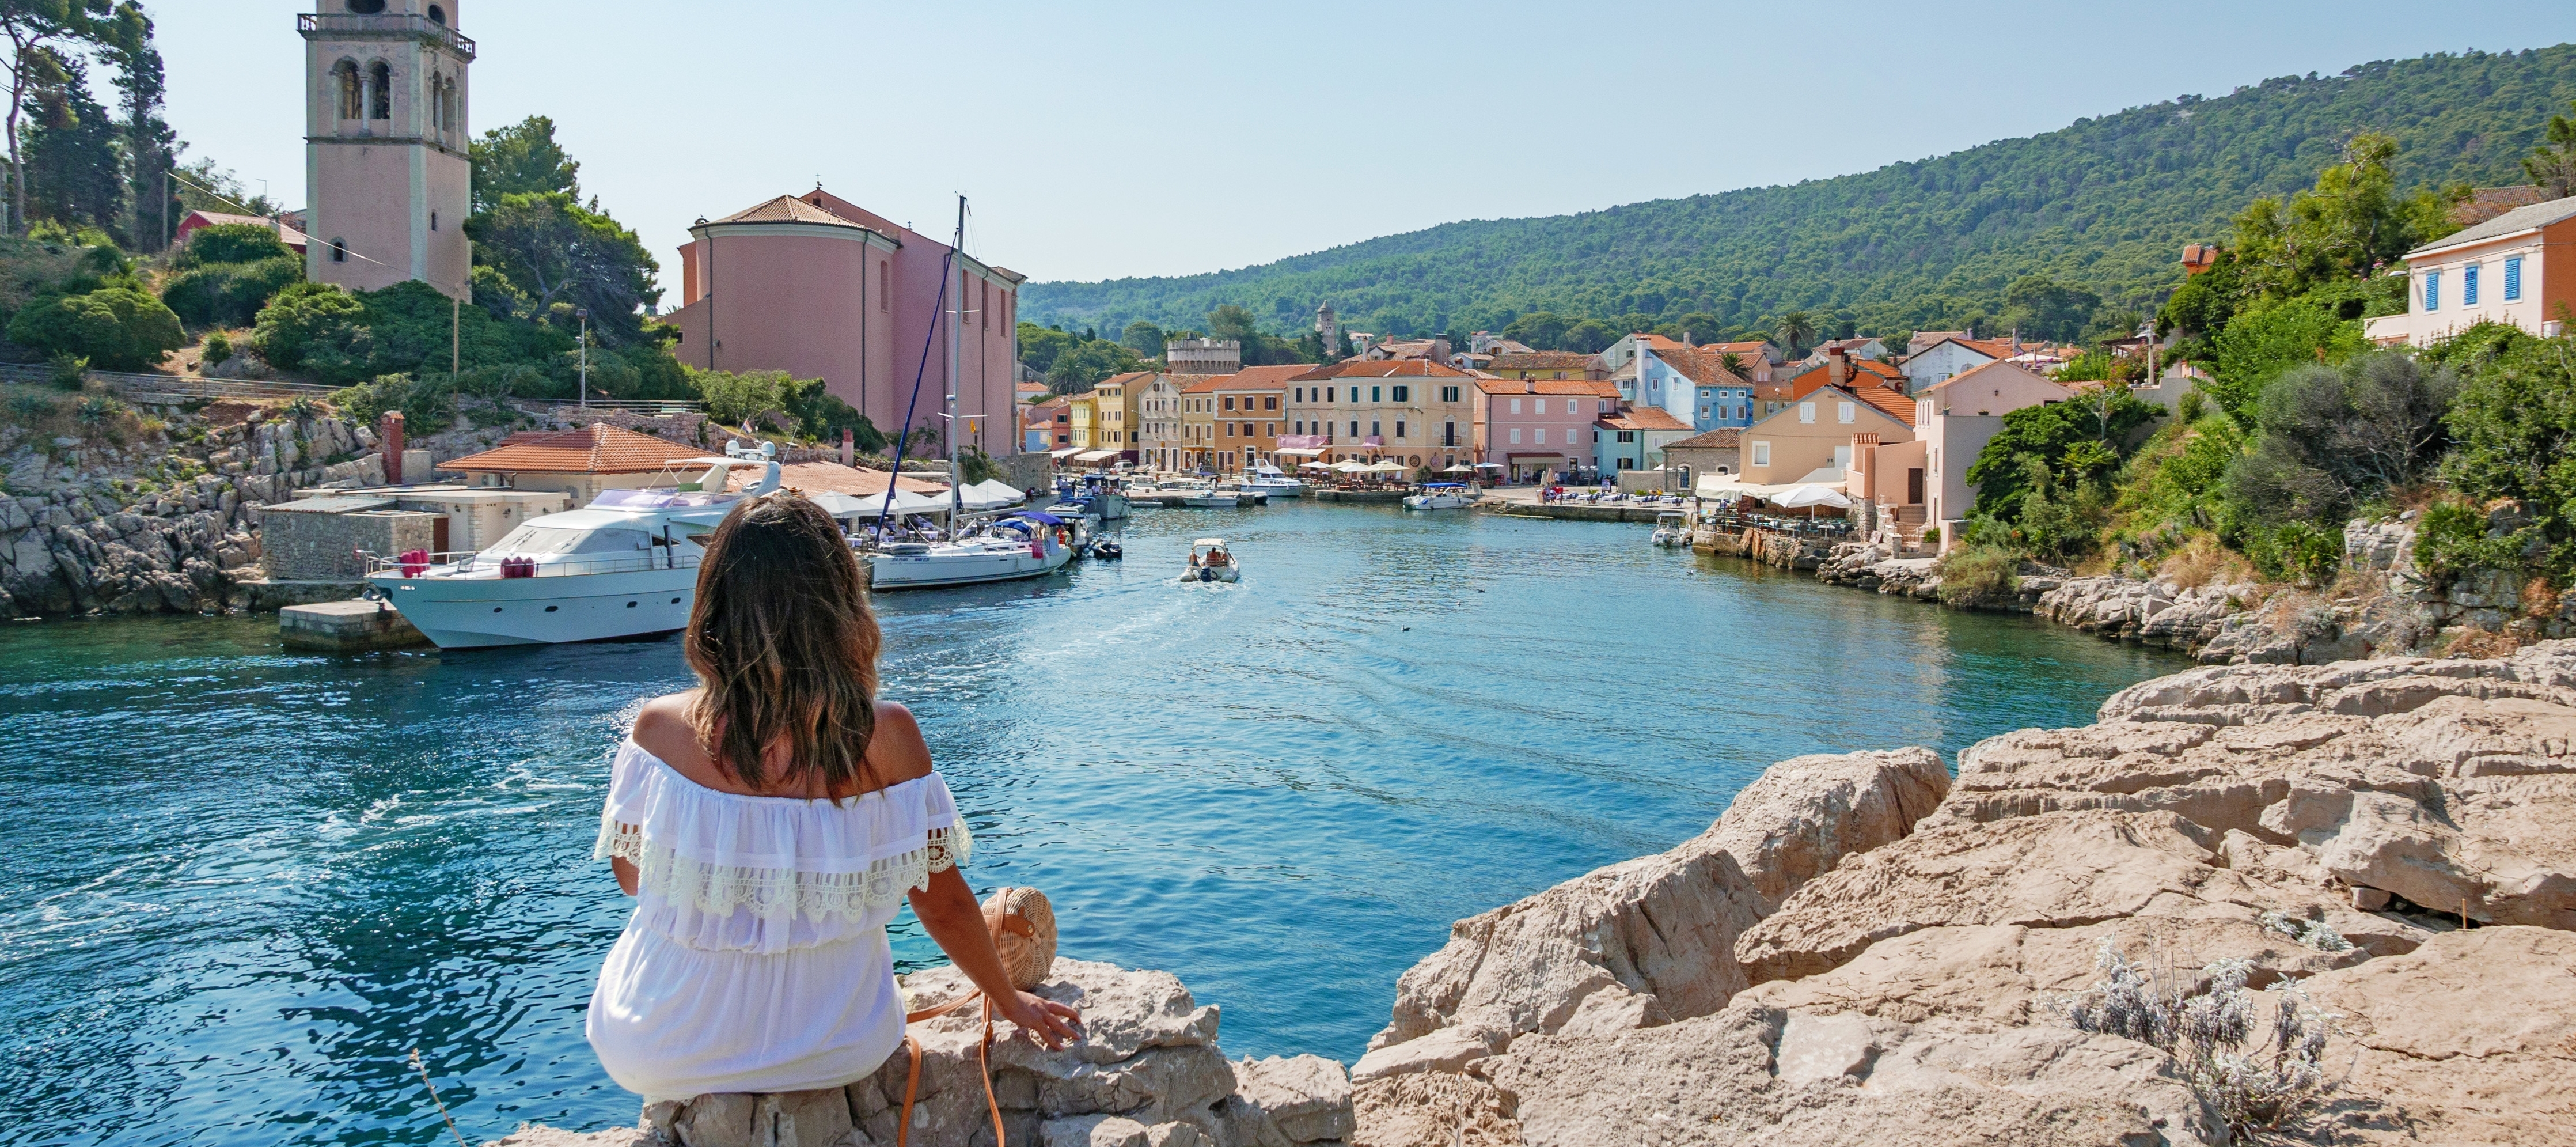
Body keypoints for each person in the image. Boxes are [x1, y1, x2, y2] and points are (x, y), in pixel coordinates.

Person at [587, 492, 1080, 1102]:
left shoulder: (658, 732)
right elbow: (943, 904)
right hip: (834, 1044)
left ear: (713, 608)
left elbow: (634, 879)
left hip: (659, 1044)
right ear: (842, 605)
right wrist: (1008, 1000)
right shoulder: (890, 738)